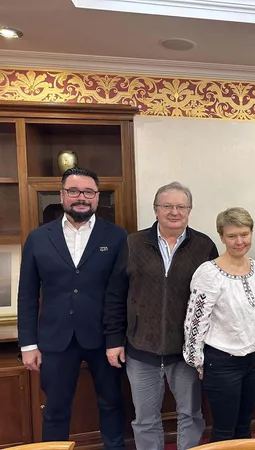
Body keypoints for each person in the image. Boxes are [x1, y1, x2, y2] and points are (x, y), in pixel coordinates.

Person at [18, 167, 126, 449]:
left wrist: (116, 339)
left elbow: (121, 292)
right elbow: (27, 294)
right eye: (74, 191)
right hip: (55, 339)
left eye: (88, 192)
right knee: (55, 408)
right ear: (62, 194)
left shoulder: (117, 237)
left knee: (112, 403)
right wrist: (28, 344)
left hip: (104, 338)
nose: (81, 198)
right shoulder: (38, 238)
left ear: (97, 196)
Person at [104, 182, 218, 450]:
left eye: (181, 206)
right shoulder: (132, 243)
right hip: (141, 350)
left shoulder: (204, 246)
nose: (174, 212)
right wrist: (113, 340)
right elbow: (115, 295)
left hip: (186, 354)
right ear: (156, 209)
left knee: (191, 415)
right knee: (145, 420)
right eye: (167, 206)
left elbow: (214, 300)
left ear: (189, 210)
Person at [183, 207, 255, 442]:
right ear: (221, 237)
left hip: (254, 359)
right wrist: (196, 360)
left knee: (244, 425)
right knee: (224, 431)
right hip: (222, 363)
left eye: (244, 234)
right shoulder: (209, 273)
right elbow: (195, 321)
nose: (239, 241)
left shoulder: (254, 267)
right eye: (232, 236)